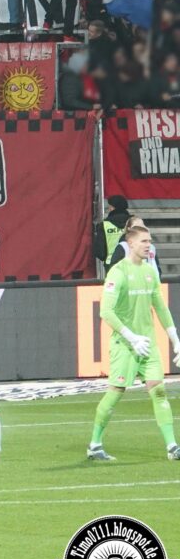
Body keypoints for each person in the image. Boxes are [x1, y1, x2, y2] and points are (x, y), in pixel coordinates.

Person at [85, 225, 180, 462]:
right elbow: (106, 312)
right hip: (124, 345)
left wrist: (175, 339)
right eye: (144, 241)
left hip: (147, 343)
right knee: (116, 393)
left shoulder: (149, 272)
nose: (149, 245)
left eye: (150, 241)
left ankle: (172, 447)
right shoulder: (118, 272)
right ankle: (95, 445)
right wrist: (132, 337)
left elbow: (160, 306)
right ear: (131, 244)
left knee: (158, 391)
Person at [94, 194, 131, 269]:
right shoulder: (134, 222)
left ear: (112, 208)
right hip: (132, 262)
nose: (109, 209)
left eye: (109, 206)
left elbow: (99, 251)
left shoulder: (104, 225)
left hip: (111, 264)